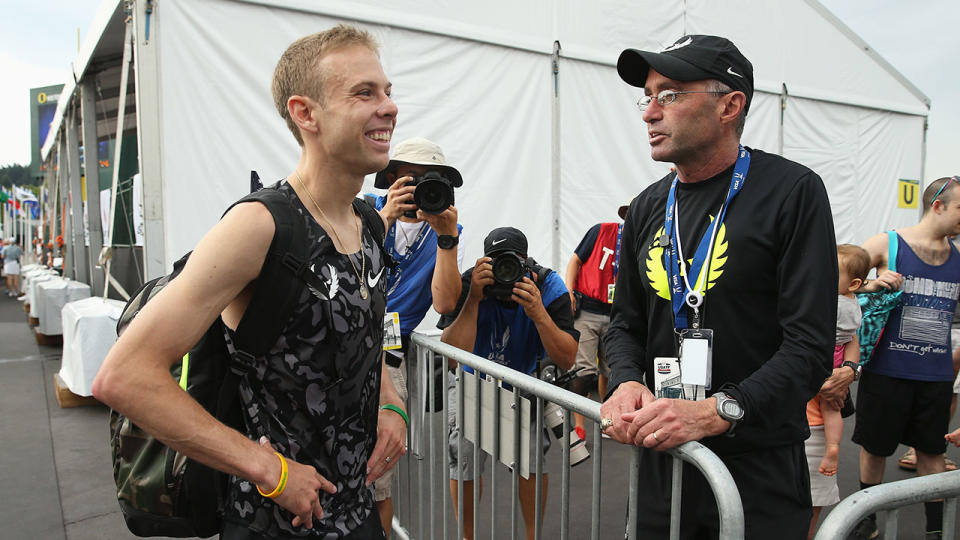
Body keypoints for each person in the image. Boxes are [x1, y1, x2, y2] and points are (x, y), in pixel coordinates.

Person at [93, 25, 407, 539]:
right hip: (275, 524)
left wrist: (390, 402)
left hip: (357, 513)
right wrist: (271, 472)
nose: (389, 107)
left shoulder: (369, 222)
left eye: (388, 91)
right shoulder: (261, 225)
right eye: (364, 93)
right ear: (305, 114)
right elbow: (124, 376)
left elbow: (367, 332)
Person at [600, 35, 837, 539]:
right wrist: (625, 381)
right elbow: (624, 324)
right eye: (648, 96)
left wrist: (716, 412)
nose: (649, 113)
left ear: (730, 105)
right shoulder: (646, 205)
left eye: (670, 95)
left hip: (757, 465)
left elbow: (810, 347)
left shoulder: (792, 191)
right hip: (664, 459)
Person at [438, 227, 579, 540]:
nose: (505, 273)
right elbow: (450, 356)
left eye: (512, 263)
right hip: (471, 382)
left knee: (529, 462)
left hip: (521, 385)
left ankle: (531, 536)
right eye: (497, 263)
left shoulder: (546, 285)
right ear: (486, 261)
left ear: (526, 262)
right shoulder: (472, 281)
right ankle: (467, 537)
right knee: (463, 461)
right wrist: (473, 298)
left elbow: (568, 358)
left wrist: (539, 312)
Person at [851, 175, 960, 540]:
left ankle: (934, 529)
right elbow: (839, 280)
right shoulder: (888, 243)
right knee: (875, 447)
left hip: (935, 377)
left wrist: (952, 365)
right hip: (886, 370)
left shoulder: (959, 257)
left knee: (931, 452)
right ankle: (867, 520)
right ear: (938, 206)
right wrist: (870, 284)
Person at [369, 137, 466, 537]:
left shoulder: (448, 231)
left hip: (391, 357)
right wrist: (385, 218)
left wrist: (447, 239)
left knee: (380, 472)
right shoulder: (364, 212)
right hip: (343, 345)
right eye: (412, 179)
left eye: (434, 181)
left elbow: (444, 303)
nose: (422, 189)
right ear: (390, 178)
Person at [805, 244, 869, 540]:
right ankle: (834, 447)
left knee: (831, 404)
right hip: (833, 362)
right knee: (832, 408)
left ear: (853, 283)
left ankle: (832, 448)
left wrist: (848, 369)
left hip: (824, 367)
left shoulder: (831, 302)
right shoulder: (853, 302)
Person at [563, 208, 625, 440]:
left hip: (615, 313)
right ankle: (579, 426)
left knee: (611, 371)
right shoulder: (601, 231)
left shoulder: (639, 242)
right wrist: (568, 291)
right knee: (583, 372)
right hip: (586, 309)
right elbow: (575, 260)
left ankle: (606, 421)